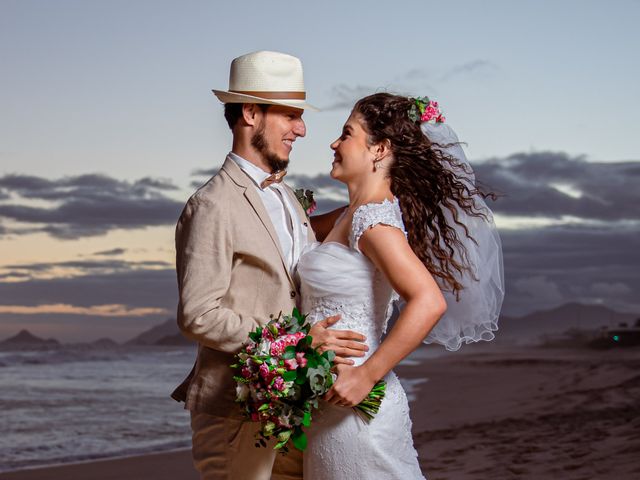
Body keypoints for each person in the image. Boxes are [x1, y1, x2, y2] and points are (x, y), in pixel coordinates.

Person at [171, 50, 367, 480]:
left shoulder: (284, 196)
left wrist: (367, 204)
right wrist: (300, 342)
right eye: (290, 116)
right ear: (250, 113)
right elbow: (198, 315)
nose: (302, 129)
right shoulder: (213, 204)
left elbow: (297, 260)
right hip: (234, 412)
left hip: (289, 407)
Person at [297, 92, 504, 479]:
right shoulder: (350, 214)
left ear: (380, 149)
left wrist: (365, 375)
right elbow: (291, 228)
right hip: (329, 403)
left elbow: (428, 301)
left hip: (356, 404)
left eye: (346, 134)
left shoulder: (374, 223)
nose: (334, 144)